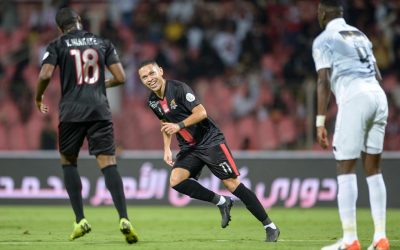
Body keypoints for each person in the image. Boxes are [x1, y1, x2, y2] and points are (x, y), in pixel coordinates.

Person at [137, 60, 280, 242]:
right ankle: (222, 201)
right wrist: (166, 149)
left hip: (209, 140)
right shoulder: (152, 101)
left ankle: (270, 226)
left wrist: (179, 125)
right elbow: (165, 124)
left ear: (161, 72)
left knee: (231, 184)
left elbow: (201, 113)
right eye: (144, 77)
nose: (149, 79)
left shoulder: (179, 89)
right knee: (176, 180)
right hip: (189, 147)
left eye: (151, 73)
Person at [35, 8, 138, 244]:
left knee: (68, 161)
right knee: (108, 163)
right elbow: (121, 77)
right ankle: (124, 218)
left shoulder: (57, 45)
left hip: (71, 112)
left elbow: (44, 75)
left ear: (60, 28)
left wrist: (38, 98)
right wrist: (102, 84)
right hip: (99, 110)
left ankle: (80, 220)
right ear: (79, 21)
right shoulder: (103, 43)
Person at [312, 1, 390, 250]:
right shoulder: (360, 34)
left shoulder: (323, 39)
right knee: (373, 169)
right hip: (378, 95)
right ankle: (380, 238)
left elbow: (323, 81)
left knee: (345, 168)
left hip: (355, 97)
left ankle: (350, 240)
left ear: (323, 13)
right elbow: (377, 74)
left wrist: (320, 121)